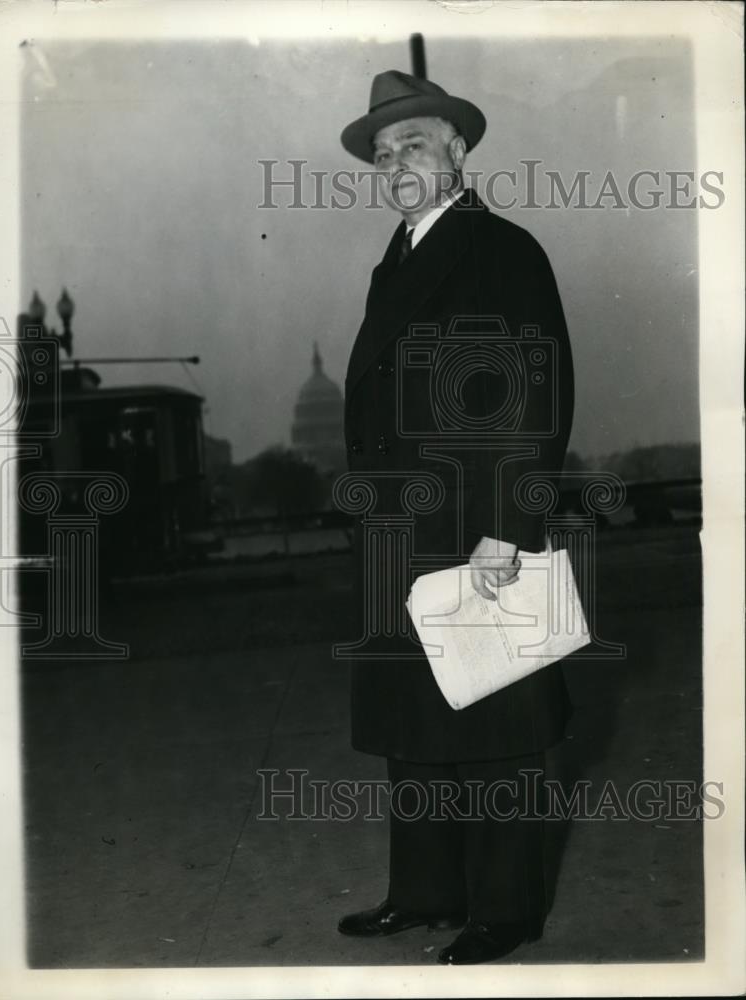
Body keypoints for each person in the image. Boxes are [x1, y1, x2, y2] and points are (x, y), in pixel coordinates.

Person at [337, 70, 575, 964]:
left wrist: (509, 527)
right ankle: (427, 892)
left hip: (474, 527)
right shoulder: (395, 258)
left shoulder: (499, 248)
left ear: (458, 153)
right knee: (418, 726)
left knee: (494, 727)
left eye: (415, 144)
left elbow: (538, 395)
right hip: (401, 532)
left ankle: (506, 911)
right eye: (383, 151)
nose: (396, 161)